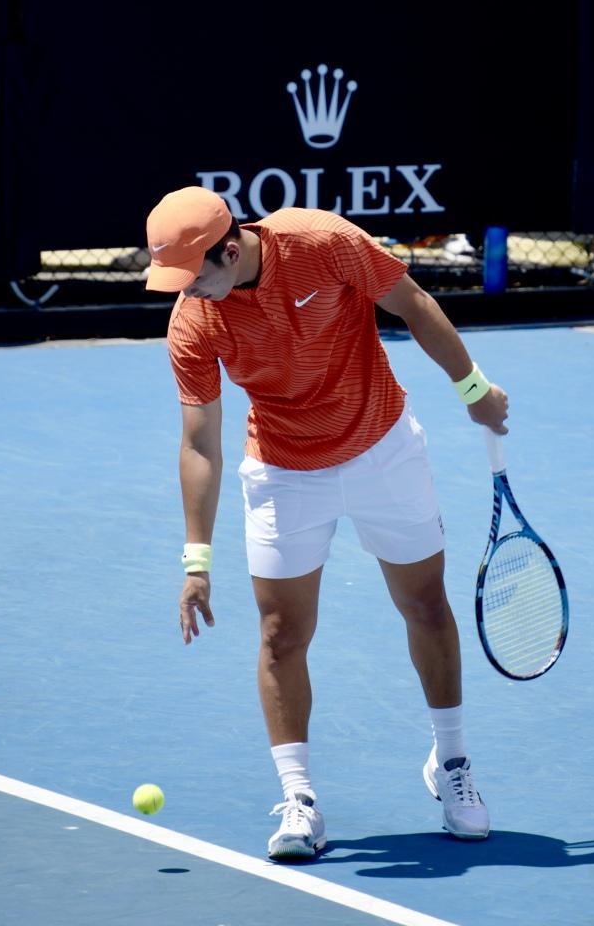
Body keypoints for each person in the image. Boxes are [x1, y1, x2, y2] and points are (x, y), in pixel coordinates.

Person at [144, 188, 509, 860]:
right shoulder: (193, 322)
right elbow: (199, 443)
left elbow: (412, 303)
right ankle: (299, 798)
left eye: (193, 275)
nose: (187, 291)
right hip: (283, 473)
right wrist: (196, 561)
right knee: (281, 634)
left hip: (383, 448)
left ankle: (452, 762)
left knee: (426, 606)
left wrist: (473, 389)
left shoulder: (323, 241)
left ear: (231, 250)